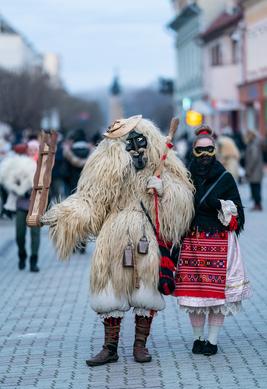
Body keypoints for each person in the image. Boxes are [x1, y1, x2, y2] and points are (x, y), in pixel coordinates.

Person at [41, 115, 194, 366]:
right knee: (109, 288)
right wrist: (60, 216)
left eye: (139, 142)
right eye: (128, 144)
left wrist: (164, 188)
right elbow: (89, 200)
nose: (135, 149)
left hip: (145, 235)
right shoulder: (105, 168)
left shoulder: (163, 161)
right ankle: (110, 347)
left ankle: (140, 346)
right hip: (113, 236)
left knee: (146, 289)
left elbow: (184, 199)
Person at [174, 125, 251, 356]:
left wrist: (219, 205)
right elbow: (174, 206)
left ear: (215, 150)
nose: (205, 155)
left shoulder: (225, 178)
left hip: (220, 242)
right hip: (192, 240)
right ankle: (198, 340)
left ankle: (213, 341)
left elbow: (238, 213)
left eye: (209, 150)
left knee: (218, 295)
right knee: (194, 293)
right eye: (200, 151)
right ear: (193, 151)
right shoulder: (184, 178)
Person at [0, 140, 40, 271]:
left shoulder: (42, 164)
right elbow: (7, 183)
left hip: (35, 205)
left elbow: (47, 187)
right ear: (27, 150)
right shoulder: (17, 164)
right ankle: (22, 255)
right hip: (20, 204)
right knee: (19, 235)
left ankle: (33, 260)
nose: (32, 152)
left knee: (35, 234)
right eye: (30, 149)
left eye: (35, 149)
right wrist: (16, 185)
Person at [245, 130, 264, 211]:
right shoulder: (254, 143)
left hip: (254, 171)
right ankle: (257, 204)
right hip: (256, 171)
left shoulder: (253, 145)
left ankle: (258, 205)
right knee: (256, 187)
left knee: (255, 188)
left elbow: (253, 158)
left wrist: (249, 169)